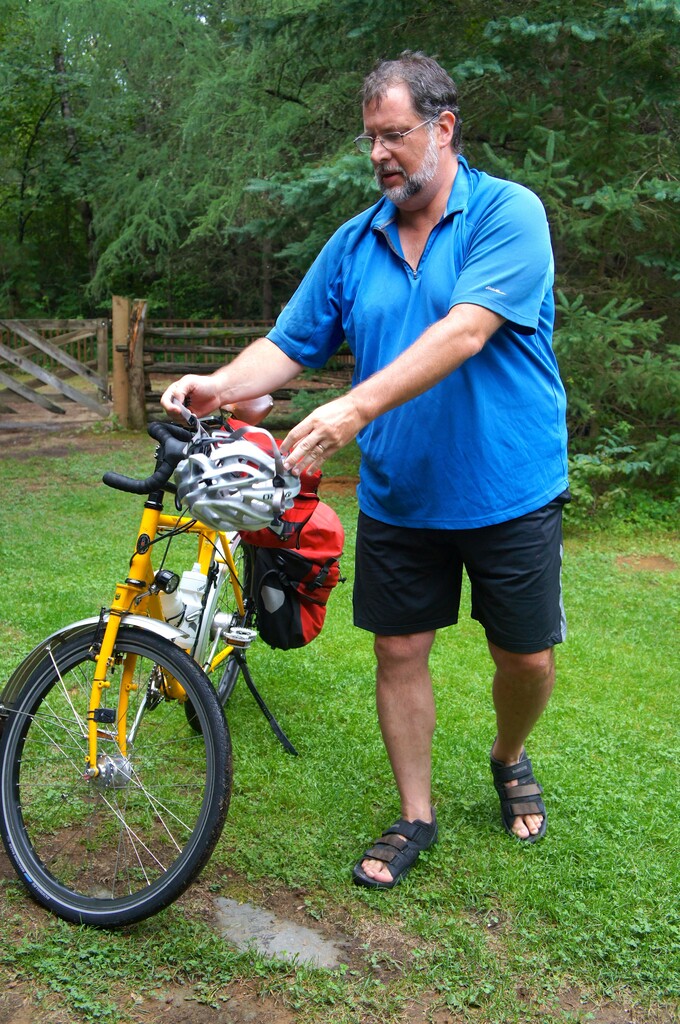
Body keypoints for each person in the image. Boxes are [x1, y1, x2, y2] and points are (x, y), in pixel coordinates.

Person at [161, 51, 569, 890]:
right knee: (399, 651)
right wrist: (219, 385)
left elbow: (465, 331)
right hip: (401, 494)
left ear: (443, 128)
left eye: (394, 135)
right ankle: (416, 813)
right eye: (369, 140)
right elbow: (288, 345)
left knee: (526, 659)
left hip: (509, 487)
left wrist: (352, 409)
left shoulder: (508, 213)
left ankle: (508, 752)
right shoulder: (356, 243)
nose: (379, 153)